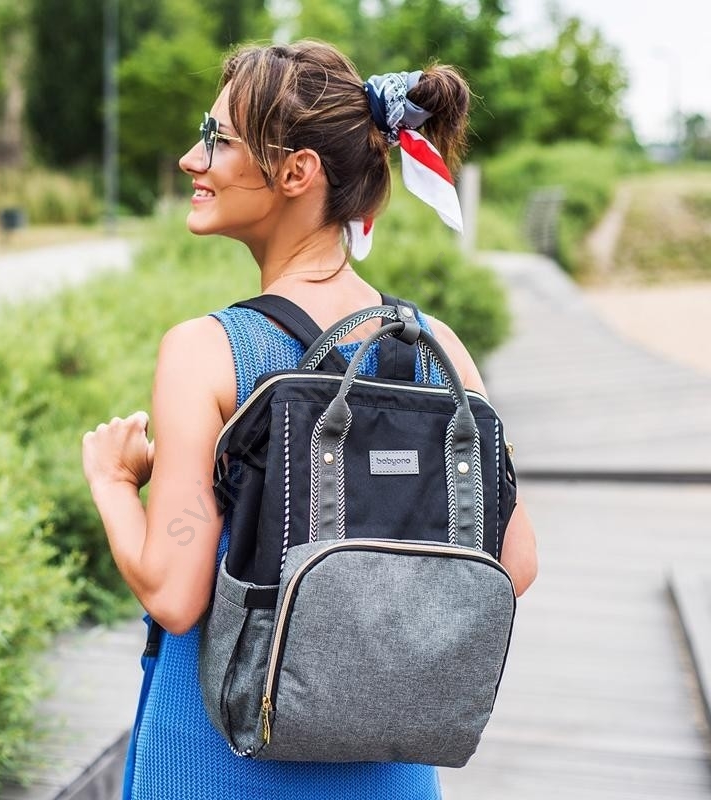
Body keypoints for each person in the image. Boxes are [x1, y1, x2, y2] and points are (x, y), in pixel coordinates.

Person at [81, 39, 537, 800]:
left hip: (216, 761)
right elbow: (514, 564)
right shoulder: (438, 349)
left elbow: (174, 594)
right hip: (391, 772)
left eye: (218, 139)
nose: (193, 160)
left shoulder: (208, 351)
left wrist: (111, 482)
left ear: (297, 171)